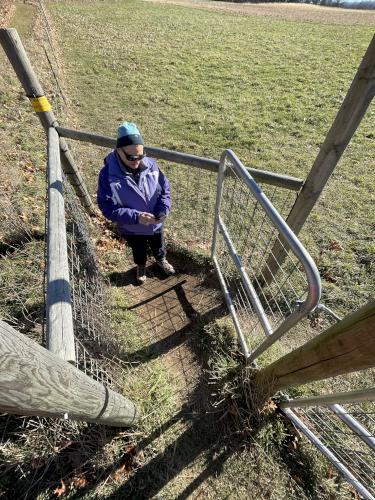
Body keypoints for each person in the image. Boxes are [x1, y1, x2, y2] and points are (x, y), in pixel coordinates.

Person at [97, 122, 175, 284]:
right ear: (119, 150)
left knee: (158, 244)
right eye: (131, 157)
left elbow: (165, 189)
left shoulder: (152, 165)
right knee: (138, 249)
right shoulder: (107, 176)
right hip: (131, 227)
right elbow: (107, 208)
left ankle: (161, 259)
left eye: (141, 155)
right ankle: (141, 265)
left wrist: (163, 209)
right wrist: (136, 217)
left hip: (155, 224)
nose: (137, 161)